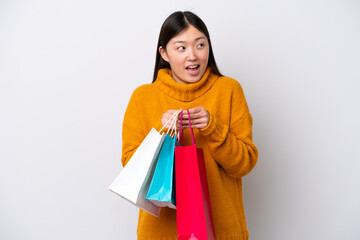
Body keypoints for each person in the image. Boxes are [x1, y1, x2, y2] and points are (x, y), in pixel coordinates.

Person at [121, 11, 258, 240]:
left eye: (200, 45)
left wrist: (213, 128)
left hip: (222, 232)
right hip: (160, 234)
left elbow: (244, 164)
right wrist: (161, 129)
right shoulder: (143, 97)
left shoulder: (229, 90)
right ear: (164, 53)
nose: (192, 56)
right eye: (181, 47)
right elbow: (131, 168)